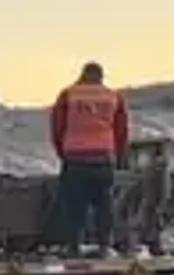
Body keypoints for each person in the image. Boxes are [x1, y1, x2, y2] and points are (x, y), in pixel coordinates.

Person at [47, 61, 130, 255]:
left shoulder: (68, 95)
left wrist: (63, 152)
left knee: (74, 205)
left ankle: (73, 246)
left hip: (75, 158)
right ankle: (104, 245)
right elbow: (122, 131)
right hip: (103, 159)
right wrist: (116, 156)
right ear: (101, 77)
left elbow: (57, 127)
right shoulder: (113, 96)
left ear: (82, 75)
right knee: (104, 203)